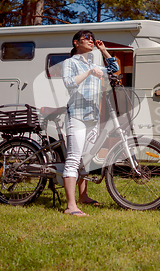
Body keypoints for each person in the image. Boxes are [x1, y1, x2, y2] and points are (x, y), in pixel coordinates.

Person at [61, 30, 119, 216]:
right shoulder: (70, 63)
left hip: (93, 117)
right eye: (86, 38)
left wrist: (104, 51)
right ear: (76, 42)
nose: (91, 40)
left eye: (92, 38)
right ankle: (71, 206)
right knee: (73, 159)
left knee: (85, 159)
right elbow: (69, 83)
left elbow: (114, 69)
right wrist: (88, 73)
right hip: (77, 115)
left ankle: (83, 196)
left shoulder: (94, 64)